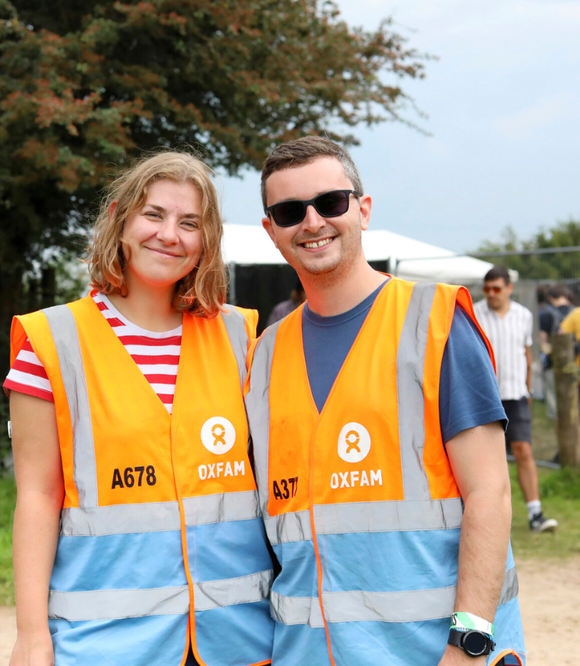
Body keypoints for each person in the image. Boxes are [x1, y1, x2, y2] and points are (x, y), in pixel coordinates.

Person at [245, 136, 525, 665]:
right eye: (289, 211)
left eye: (330, 203)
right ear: (271, 231)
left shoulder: (436, 323)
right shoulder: (261, 358)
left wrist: (467, 644)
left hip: (435, 654)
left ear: (362, 209)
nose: (312, 222)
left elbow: (489, 493)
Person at [4, 152, 274, 666]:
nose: (169, 235)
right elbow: (37, 496)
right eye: (153, 215)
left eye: (189, 223)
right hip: (107, 642)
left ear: (206, 241)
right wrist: (31, 634)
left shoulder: (244, 338)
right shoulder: (51, 341)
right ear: (119, 221)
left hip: (238, 638)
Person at [474, 267, 558, 533]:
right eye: (487, 289)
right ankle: (484, 517)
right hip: (484, 397)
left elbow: (527, 355)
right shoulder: (474, 312)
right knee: (484, 460)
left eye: (496, 288)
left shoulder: (524, 315)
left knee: (524, 451)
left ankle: (535, 514)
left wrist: (529, 391)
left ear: (509, 288)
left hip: (516, 394)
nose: (491, 294)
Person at [536, 286, 573, 419]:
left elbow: (543, 341)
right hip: (575, 363)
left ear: (550, 298)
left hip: (553, 364)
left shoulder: (547, 315)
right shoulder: (576, 312)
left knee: (554, 403)